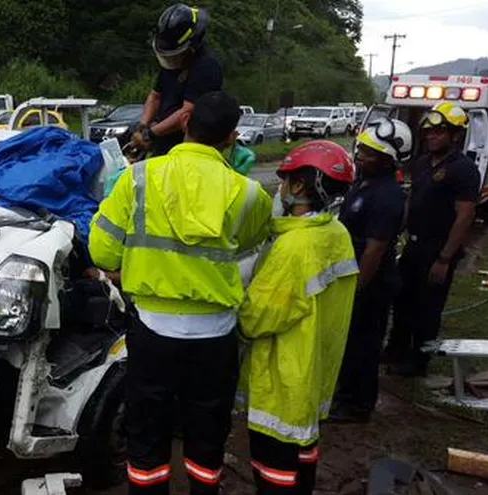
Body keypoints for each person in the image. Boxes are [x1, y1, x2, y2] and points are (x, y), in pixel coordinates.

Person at [89, 91, 271, 494]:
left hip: (152, 331)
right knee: (206, 437)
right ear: (231, 138)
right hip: (216, 336)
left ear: (185, 124)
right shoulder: (251, 194)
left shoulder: (137, 179)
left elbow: (101, 250)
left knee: (147, 435)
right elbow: (246, 247)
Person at [238, 140, 358, 494]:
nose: (281, 188)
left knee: (274, 471)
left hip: (283, 384)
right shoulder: (336, 233)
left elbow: (256, 319)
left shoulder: (294, 248)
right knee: (304, 459)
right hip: (314, 372)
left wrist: (235, 299)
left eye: (286, 180)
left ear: (301, 186)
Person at [385, 102, 480, 377]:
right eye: (429, 132)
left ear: (455, 135)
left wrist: (444, 258)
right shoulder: (424, 162)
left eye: (440, 132)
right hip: (414, 245)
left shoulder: (463, 170)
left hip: (437, 249)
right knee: (402, 299)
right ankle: (396, 348)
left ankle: (419, 359)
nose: (432, 136)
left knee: (427, 308)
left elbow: (464, 217)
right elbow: (413, 200)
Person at [330, 119, 412, 423]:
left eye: (370, 152)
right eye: (362, 148)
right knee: (349, 343)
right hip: (354, 276)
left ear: (389, 159)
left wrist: (356, 289)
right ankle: (345, 394)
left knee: (362, 347)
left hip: (372, 283)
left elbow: (375, 250)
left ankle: (357, 405)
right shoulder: (363, 182)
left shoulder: (386, 195)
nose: (361, 155)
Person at [131, 4, 223, 157]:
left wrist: (150, 134)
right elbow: (155, 96)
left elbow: (187, 111)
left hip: (187, 148)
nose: (171, 58)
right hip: (162, 143)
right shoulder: (172, 63)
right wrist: (143, 126)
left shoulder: (206, 67)